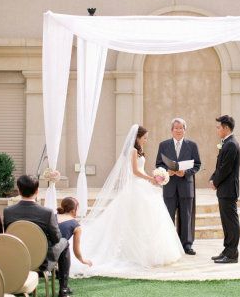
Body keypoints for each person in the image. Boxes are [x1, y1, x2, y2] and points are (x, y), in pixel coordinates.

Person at [71, 125, 183, 276]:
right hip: (137, 186)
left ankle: (150, 251)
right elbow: (135, 171)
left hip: (142, 185)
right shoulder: (133, 151)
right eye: (144, 138)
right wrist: (151, 178)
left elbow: (140, 170)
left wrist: (155, 176)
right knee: (136, 217)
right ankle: (132, 252)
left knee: (148, 217)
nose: (146, 140)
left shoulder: (139, 151)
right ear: (137, 137)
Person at [3, 175, 71, 297]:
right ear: (37, 191)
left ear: (18, 190)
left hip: (17, 260)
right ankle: (63, 288)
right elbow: (56, 238)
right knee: (64, 242)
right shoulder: (47, 213)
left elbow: (7, 236)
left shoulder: (8, 211)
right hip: (41, 263)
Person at [156, 118, 201, 255]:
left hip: (186, 186)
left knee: (186, 216)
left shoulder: (192, 145)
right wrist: (166, 171)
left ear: (185, 130)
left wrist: (185, 172)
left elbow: (197, 165)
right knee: (168, 216)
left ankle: (187, 245)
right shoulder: (163, 145)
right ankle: (169, 245)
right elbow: (158, 164)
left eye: (181, 128)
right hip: (169, 186)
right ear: (171, 130)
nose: (178, 130)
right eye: (176, 128)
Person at [210, 115, 240, 264]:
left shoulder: (231, 144)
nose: (217, 130)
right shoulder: (227, 143)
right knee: (226, 222)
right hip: (224, 190)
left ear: (226, 128)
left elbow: (226, 169)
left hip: (228, 190)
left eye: (218, 127)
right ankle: (227, 250)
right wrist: (213, 177)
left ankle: (232, 254)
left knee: (231, 223)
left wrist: (215, 181)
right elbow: (220, 165)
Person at [57, 197, 92, 267]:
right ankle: (63, 277)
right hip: (54, 253)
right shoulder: (76, 226)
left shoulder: (52, 216)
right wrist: (83, 260)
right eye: (77, 209)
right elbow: (76, 250)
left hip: (42, 249)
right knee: (64, 243)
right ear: (73, 210)